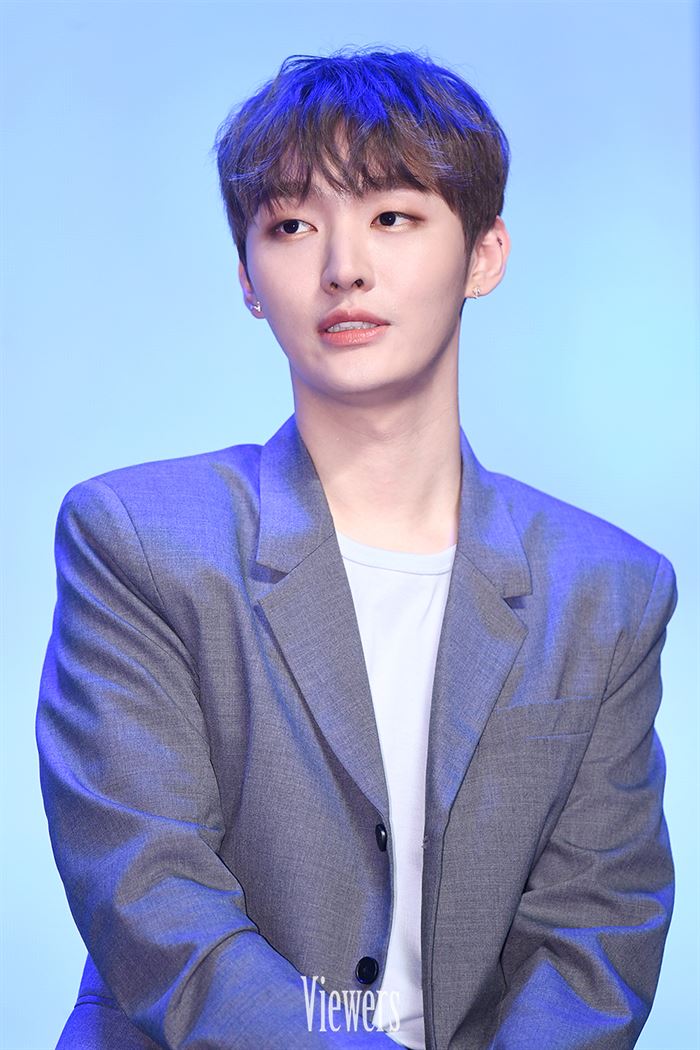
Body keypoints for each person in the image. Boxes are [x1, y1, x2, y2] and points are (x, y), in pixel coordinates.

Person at [36, 48, 678, 1050]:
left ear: (484, 256)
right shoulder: (138, 540)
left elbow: (596, 931)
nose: (343, 266)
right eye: (292, 226)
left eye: (392, 217)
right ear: (249, 280)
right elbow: (151, 899)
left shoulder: (609, 589)